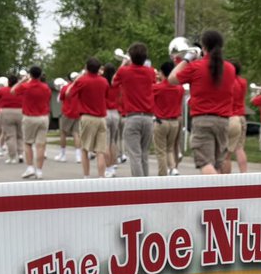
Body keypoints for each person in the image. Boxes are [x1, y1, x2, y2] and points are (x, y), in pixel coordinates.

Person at [170, 30, 236, 175]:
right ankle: (221, 189)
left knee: (205, 162)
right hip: (223, 121)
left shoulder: (196, 67)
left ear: (204, 47)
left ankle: (218, 188)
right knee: (218, 163)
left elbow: (172, 79)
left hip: (203, 119)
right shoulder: (230, 68)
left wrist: (187, 59)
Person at [115, 42, 157, 177]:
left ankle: (139, 185)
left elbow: (114, 82)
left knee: (135, 155)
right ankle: (146, 183)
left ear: (131, 57)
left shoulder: (124, 71)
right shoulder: (151, 72)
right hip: (148, 117)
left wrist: (124, 63)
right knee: (144, 154)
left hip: (133, 116)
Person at [66, 58, 109, 178]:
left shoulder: (82, 80)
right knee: (100, 150)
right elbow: (105, 95)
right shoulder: (104, 81)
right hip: (101, 118)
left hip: (87, 117)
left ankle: (86, 176)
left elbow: (68, 94)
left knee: (85, 149)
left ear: (86, 68)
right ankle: (101, 177)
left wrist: (77, 79)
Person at [14, 66, 52, 179]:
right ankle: (39, 171)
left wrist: (22, 81)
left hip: (30, 117)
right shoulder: (46, 87)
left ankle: (30, 167)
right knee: (40, 145)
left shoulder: (26, 86)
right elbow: (48, 98)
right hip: (43, 117)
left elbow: (13, 91)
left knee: (28, 143)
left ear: (30, 74)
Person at [152, 60, 183, 176]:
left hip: (162, 121)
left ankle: (162, 175)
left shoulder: (157, 88)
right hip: (174, 122)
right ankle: (173, 168)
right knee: (170, 148)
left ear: (163, 73)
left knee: (161, 151)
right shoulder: (179, 88)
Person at [226, 61, 249, 174]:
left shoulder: (228, 82)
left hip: (231, 116)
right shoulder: (243, 82)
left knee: (226, 154)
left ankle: (225, 179)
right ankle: (244, 174)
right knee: (239, 148)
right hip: (241, 116)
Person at [0, 75, 24, 164]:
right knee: (20, 135)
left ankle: (12, 157)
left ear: (8, 82)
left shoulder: (3, 90)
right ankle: (21, 154)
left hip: (6, 112)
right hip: (20, 111)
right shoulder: (21, 90)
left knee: (10, 136)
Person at [56, 75, 81, 163]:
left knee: (63, 133)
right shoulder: (80, 88)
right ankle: (78, 156)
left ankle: (63, 155)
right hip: (77, 113)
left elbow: (60, 99)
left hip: (67, 113)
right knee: (76, 134)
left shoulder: (65, 87)